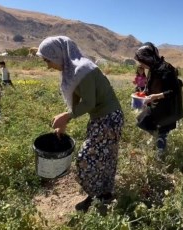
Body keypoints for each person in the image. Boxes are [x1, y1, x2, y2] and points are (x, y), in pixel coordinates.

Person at [37, 36, 124, 212]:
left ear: (58, 54)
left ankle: (98, 195)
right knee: (104, 157)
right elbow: (77, 100)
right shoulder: (72, 71)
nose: (48, 65)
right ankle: (103, 195)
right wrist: (64, 122)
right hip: (100, 118)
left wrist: (66, 116)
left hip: (109, 119)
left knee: (87, 158)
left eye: (48, 60)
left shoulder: (84, 69)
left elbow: (89, 103)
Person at [134, 42, 183, 158]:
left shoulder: (166, 69)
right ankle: (158, 139)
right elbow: (152, 85)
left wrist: (154, 96)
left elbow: (173, 91)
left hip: (168, 106)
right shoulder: (153, 68)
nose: (141, 64)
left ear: (149, 57)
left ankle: (160, 157)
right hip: (157, 105)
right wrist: (143, 93)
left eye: (142, 61)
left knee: (162, 130)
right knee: (143, 121)